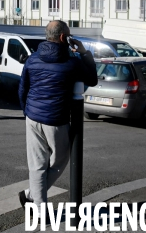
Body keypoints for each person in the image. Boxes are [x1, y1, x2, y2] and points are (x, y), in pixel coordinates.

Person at [18, 20, 97, 208]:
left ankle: (32, 197)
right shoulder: (72, 63)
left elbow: (22, 89)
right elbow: (92, 79)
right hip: (56, 120)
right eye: (69, 36)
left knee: (37, 166)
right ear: (63, 37)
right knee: (59, 161)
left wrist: (27, 113)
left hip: (32, 117)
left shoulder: (32, 59)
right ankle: (34, 201)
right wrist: (84, 52)